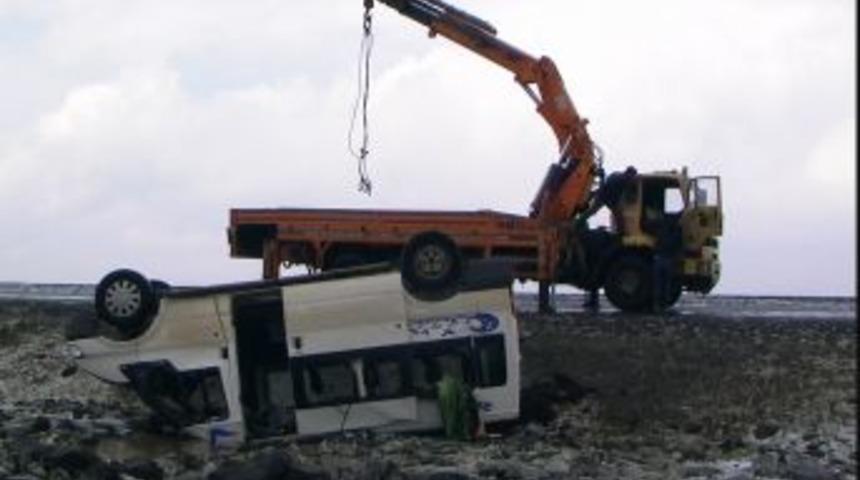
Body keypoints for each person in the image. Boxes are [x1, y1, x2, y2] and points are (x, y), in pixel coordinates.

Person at [652, 216, 682, 312]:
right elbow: (678, 245)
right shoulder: (675, 233)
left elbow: (656, 243)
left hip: (659, 259)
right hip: (669, 260)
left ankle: (657, 305)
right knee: (666, 284)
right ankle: (664, 304)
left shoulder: (661, 231)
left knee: (658, 284)